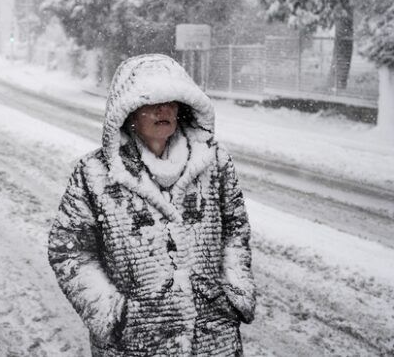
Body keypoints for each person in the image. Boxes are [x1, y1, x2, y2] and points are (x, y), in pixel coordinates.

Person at [48, 54, 256, 356]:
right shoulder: (94, 173)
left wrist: (235, 291)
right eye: (152, 102)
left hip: (214, 339)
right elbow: (69, 251)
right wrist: (113, 314)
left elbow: (236, 232)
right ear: (129, 111)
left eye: (171, 101)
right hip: (135, 343)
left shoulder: (215, 162)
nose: (163, 109)